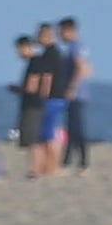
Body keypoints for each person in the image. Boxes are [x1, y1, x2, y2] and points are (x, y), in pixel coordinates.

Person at [59, 17, 92, 174]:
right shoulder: (79, 47)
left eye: (62, 32)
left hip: (76, 95)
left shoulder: (75, 47)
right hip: (79, 93)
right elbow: (87, 68)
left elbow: (80, 68)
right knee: (72, 128)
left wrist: (72, 87)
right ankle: (68, 161)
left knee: (76, 129)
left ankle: (83, 163)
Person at [36, 23, 68, 176]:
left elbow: (47, 78)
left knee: (49, 134)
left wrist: (42, 96)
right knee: (51, 133)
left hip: (52, 99)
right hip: (59, 97)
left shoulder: (50, 54)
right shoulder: (57, 53)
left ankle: (52, 166)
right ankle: (51, 166)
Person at [12, 35, 45, 179]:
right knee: (32, 139)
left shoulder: (35, 62)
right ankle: (35, 168)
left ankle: (34, 169)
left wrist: (17, 89)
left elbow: (32, 87)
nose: (18, 53)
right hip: (34, 104)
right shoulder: (35, 62)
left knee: (32, 140)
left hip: (33, 104)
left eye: (19, 49)